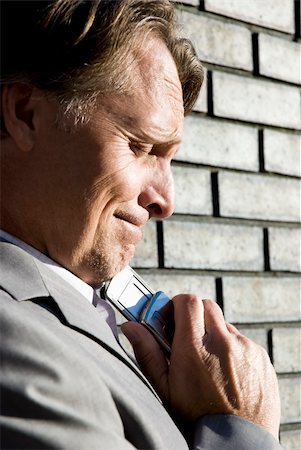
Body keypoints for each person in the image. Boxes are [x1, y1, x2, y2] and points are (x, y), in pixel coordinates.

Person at [0, 1, 282, 448]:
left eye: (169, 157)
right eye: (141, 146)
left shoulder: (97, 304)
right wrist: (239, 429)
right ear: (25, 114)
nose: (165, 201)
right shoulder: (13, 338)